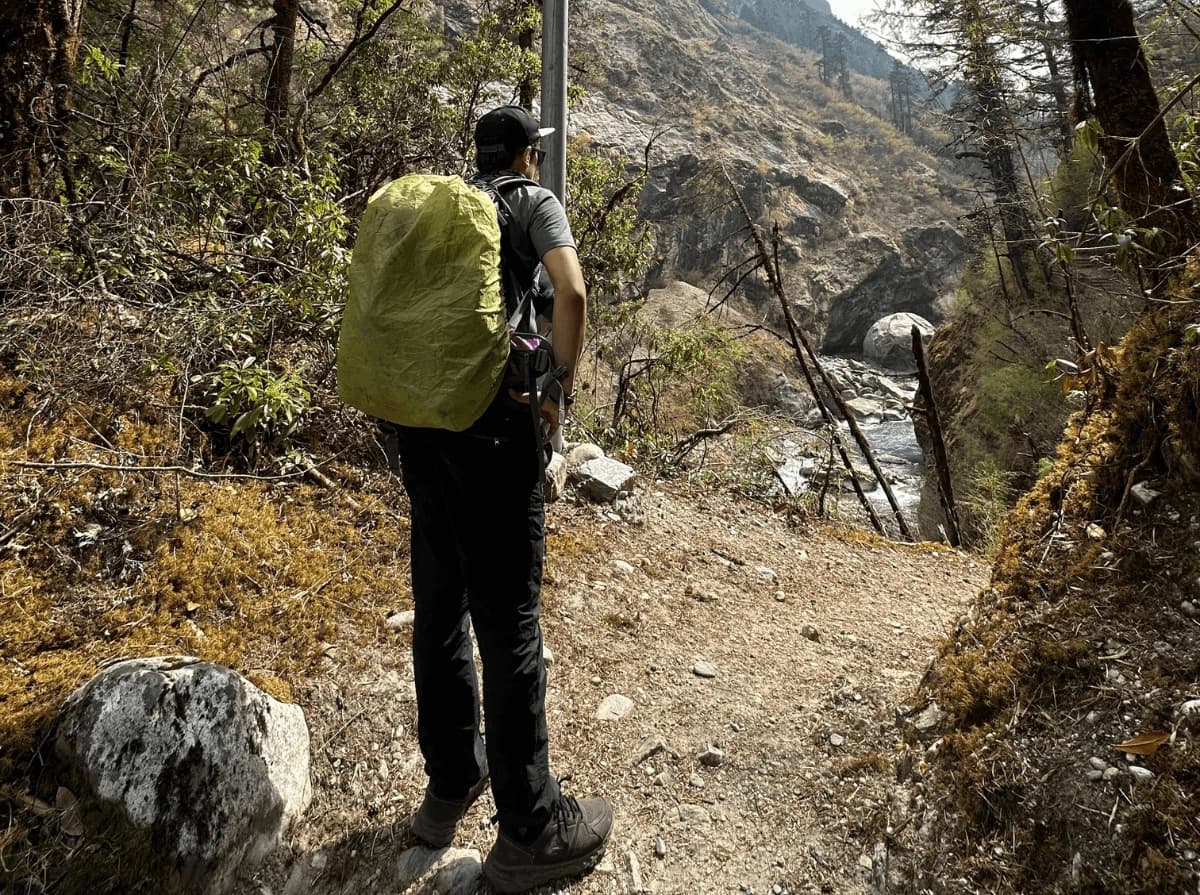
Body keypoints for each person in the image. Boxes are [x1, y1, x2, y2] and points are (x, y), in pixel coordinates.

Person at [394, 105, 612, 893]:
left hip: (423, 425)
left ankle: (450, 780)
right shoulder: (529, 201)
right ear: (526, 154)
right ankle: (531, 825)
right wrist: (558, 385)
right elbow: (572, 292)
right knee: (510, 617)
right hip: (493, 431)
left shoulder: (447, 205)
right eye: (534, 153)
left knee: (440, 604)